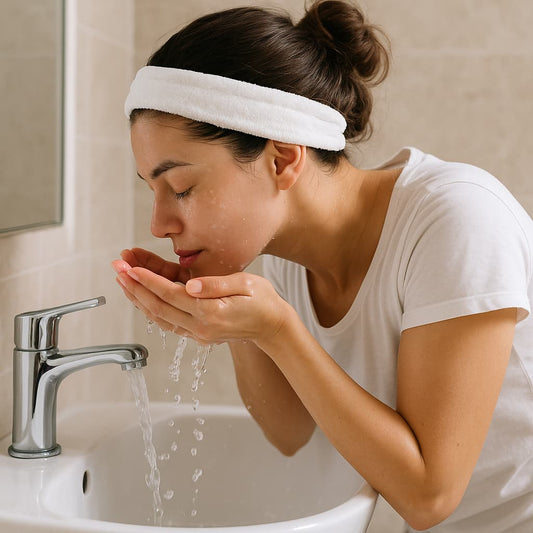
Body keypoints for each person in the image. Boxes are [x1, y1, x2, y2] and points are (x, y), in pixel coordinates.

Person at [112, 1, 533, 531]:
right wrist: (234, 322)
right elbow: (291, 433)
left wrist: (280, 330)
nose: (158, 223)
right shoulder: (289, 257)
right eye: (153, 190)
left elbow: (430, 495)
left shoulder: (456, 220)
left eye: (181, 187)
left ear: (282, 159)